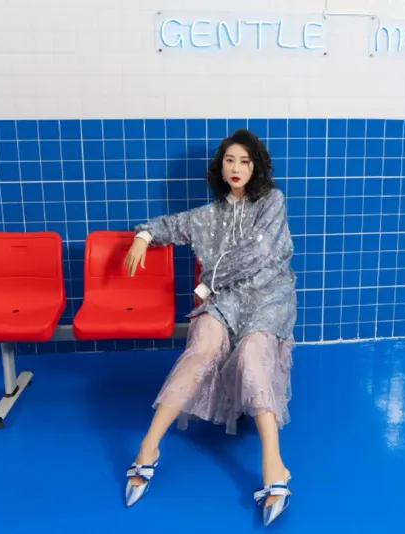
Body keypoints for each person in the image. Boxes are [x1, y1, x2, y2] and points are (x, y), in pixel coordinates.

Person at [122, 129, 297, 526]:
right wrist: (144, 236)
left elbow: (260, 252)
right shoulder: (210, 214)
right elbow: (173, 225)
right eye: (230, 160)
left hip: (269, 297)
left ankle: (274, 463)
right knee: (200, 352)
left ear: (256, 167)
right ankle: (149, 447)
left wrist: (206, 285)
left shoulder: (272, 201)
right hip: (226, 300)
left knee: (252, 356)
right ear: (220, 167)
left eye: (245, 161)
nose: (236, 168)